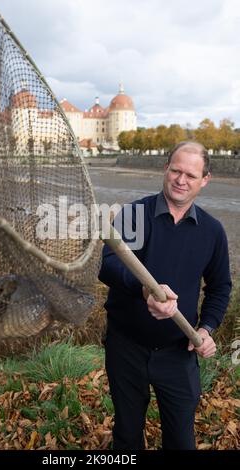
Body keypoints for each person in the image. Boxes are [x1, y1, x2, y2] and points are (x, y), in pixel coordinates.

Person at [99, 141, 232, 450]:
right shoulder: (133, 214)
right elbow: (109, 267)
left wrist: (207, 327)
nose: (181, 180)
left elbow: (220, 287)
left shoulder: (212, 231)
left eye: (190, 174)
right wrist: (144, 288)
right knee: (128, 436)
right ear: (165, 169)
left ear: (205, 180)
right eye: (175, 170)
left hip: (179, 352)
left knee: (181, 440)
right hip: (126, 347)